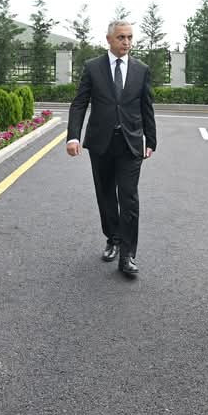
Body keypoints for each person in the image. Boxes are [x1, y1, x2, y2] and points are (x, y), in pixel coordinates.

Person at [67, 20, 157, 277]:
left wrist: (151, 140)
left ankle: (128, 255)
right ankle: (113, 239)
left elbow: (146, 106)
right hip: (101, 143)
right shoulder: (93, 67)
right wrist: (73, 136)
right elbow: (80, 103)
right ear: (109, 39)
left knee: (129, 197)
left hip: (130, 143)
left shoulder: (141, 69)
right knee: (106, 194)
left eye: (129, 37)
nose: (126, 42)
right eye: (121, 37)